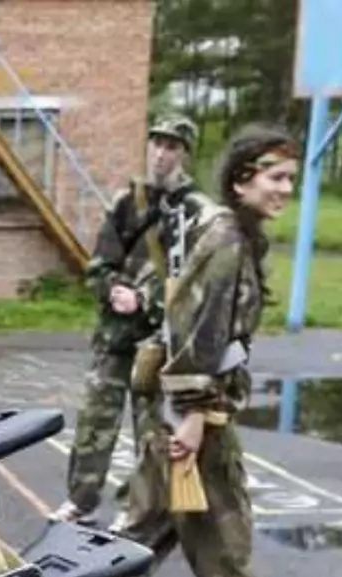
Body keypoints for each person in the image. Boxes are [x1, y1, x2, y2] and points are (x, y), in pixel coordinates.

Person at [96, 124, 313, 577]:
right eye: (274, 177)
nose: (285, 189)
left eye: (290, 179)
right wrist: (192, 417)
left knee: (177, 525)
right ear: (241, 181)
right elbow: (196, 332)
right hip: (190, 412)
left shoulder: (235, 233)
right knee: (188, 525)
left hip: (192, 408)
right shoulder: (225, 240)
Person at [53, 115, 209, 529]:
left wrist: (145, 299)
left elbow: (196, 280)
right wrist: (113, 291)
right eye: (156, 144)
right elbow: (98, 265)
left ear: (185, 153)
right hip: (115, 334)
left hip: (159, 339)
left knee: (150, 429)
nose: (161, 154)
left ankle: (135, 506)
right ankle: (81, 501)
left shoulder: (196, 211)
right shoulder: (128, 201)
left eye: (171, 146)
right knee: (95, 420)